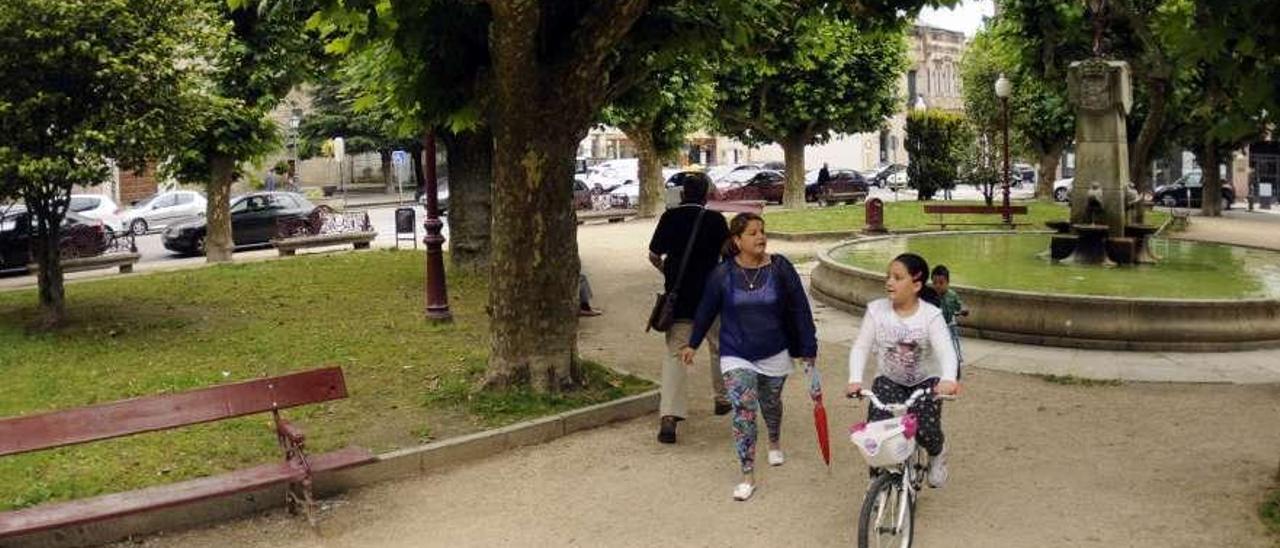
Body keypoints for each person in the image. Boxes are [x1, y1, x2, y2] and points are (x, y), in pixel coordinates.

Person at [680, 212, 818, 501]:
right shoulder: (723, 274)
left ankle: (774, 439)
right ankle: (747, 474)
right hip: (736, 353)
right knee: (744, 411)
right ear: (737, 240)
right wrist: (692, 343)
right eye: (753, 233)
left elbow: (800, 309)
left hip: (775, 350)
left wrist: (808, 348)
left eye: (762, 231)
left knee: (770, 403)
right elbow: (706, 309)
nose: (761, 237)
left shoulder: (780, 268)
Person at [846, 253, 959, 488]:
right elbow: (861, 346)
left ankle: (937, 454)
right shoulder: (876, 310)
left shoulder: (931, 316)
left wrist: (948, 378)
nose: (889, 282)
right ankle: (878, 484)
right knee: (877, 432)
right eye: (888, 276)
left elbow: (947, 352)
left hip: (925, 381)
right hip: (889, 379)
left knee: (926, 429)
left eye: (897, 277)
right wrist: (855, 379)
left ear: (916, 284)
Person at [648, 172, 731, 444]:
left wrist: (668, 273)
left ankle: (669, 416)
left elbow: (653, 254)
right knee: (718, 346)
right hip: (710, 296)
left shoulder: (669, 218)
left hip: (679, 297)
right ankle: (722, 397)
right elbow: (729, 255)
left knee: (675, 355)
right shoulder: (716, 220)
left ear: (682, 194)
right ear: (706, 195)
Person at [931, 265, 967, 378]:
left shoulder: (952, 295)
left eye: (941, 283)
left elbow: (960, 305)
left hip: (948, 327)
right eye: (935, 283)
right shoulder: (930, 296)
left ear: (948, 282)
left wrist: (963, 310)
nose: (938, 286)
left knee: (952, 349)